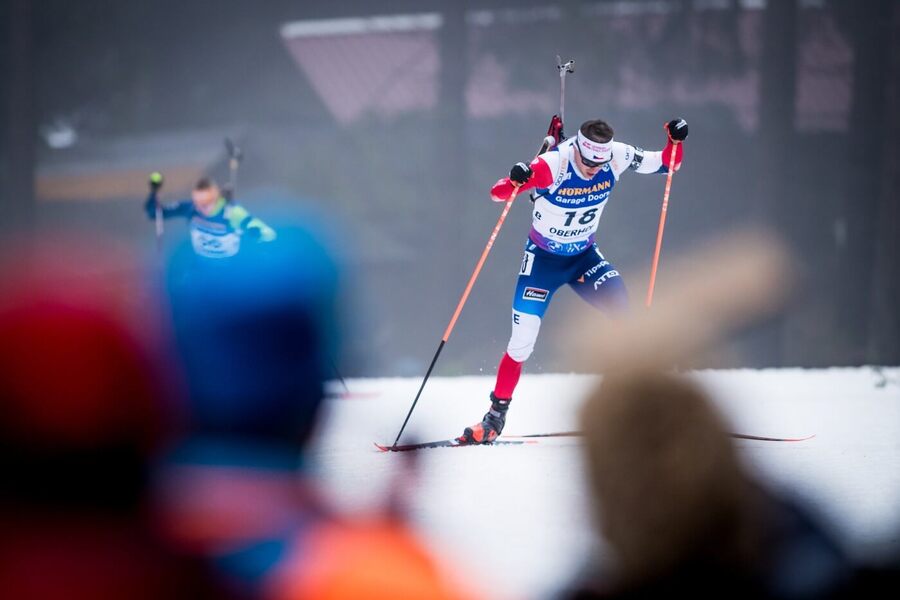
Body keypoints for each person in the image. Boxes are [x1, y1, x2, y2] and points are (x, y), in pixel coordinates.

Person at [458, 118, 689, 444]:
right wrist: (515, 178)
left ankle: (632, 407)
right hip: (543, 263)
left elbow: (667, 165)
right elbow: (498, 194)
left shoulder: (617, 156)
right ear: (576, 149)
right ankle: (495, 417)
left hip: (584, 258)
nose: (595, 168)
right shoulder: (553, 165)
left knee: (624, 312)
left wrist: (674, 141)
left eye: (601, 162)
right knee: (521, 343)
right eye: (589, 161)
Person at [145, 174, 276, 259]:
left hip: (229, 272)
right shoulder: (191, 208)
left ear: (216, 198)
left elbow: (270, 234)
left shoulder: (232, 212)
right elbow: (155, 213)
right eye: (197, 203)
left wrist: (257, 233)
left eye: (206, 204)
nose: (201, 208)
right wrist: (153, 192)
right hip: (201, 270)